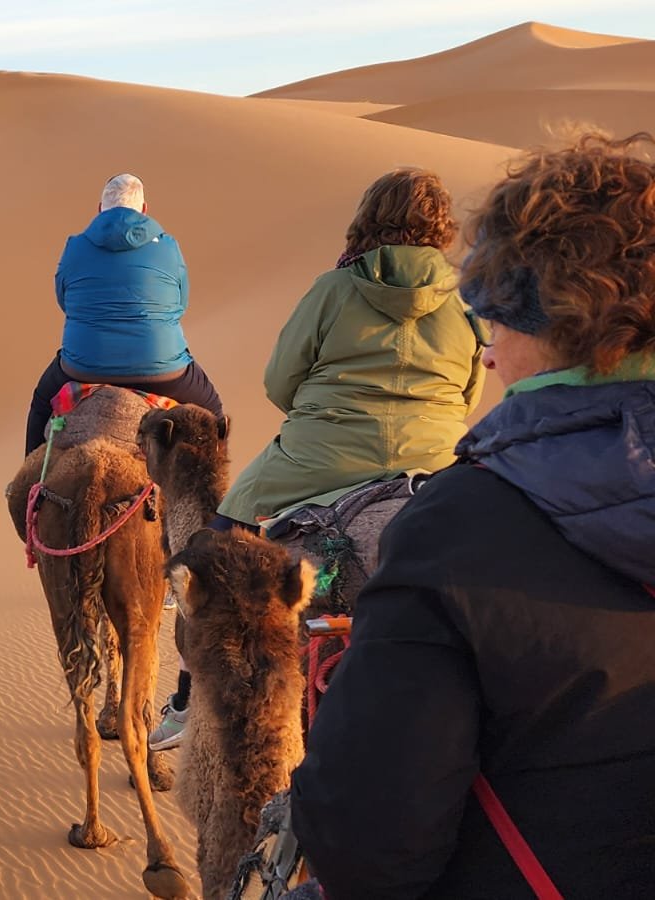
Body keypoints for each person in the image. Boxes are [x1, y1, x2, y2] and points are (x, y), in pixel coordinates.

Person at [289, 133, 655, 898]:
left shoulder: (453, 532)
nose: (489, 352)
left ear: (548, 325)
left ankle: (190, 693)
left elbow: (370, 847)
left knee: (226, 539)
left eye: (498, 320)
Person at [151, 168, 486, 753]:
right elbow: (467, 397)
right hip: (433, 463)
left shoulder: (333, 289)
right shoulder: (464, 300)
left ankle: (188, 702)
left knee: (211, 556)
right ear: (441, 229)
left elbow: (279, 382)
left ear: (369, 218)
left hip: (315, 461)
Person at [24, 173, 223, 457]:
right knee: (213, 411)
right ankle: (214, 498)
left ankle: (27, 487)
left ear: (99, 209)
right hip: (163, 370)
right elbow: (181, 302)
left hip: (83, 365)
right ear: (144, 210)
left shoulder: (75, 246)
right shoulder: (168, 246)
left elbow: (64, 299)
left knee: (41, 403)